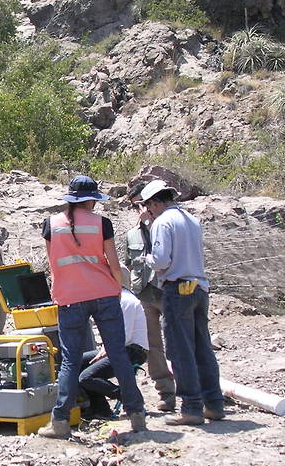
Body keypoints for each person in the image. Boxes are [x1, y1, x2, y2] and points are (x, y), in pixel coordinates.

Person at [38, 175, 146, 439]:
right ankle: (137, 415)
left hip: (70, 298)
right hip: (104, 294)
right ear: (91, 200)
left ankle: (60, 421)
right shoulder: (102, 224)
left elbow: (54, 264)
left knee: (69, 361)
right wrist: (116, 289)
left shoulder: (50, 225)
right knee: (118, 354)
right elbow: (113, 262)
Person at [139, 180, 225, 426]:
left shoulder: (163, 222)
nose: (149, 211)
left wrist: (147, 258)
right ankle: (214, 404)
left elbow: (161, 260)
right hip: (200, 287)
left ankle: (190, 407)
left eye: (149, 206)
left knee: (180, 349)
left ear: (154, 202)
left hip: (177, 288)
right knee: (202, 347)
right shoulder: (191, 219)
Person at [125, 182, 177, 412]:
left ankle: (196, 390)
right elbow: (128, 265)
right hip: (144, 293)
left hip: (168, 291)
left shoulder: (166, 226)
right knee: (153, 346)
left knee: (180, 342)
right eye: (138, 205)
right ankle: (166, 392)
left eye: (145, 204)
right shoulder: (131, 235)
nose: (143, 209)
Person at [78, 266, 149, 418]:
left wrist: (106, 351)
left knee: (86, 377)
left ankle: (127, 396)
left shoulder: (126, 301)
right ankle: (100, 408)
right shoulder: (118, 299)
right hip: (119, 347)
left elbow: (124, 337)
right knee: (77, 362)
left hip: (133, 351)